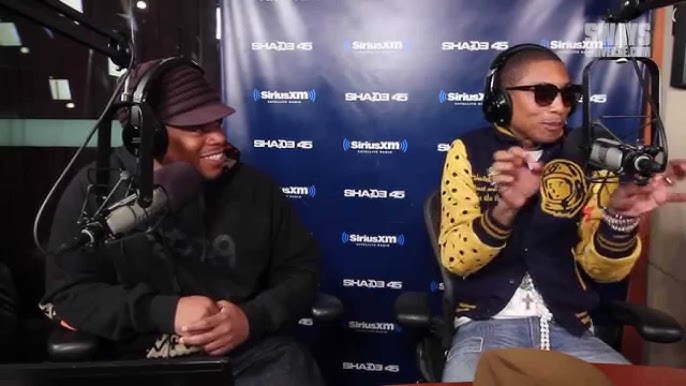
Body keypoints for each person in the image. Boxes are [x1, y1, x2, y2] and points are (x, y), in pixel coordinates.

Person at [41, 57, 324, 385]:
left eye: (217, 123)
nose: (218, 137)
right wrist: (163, 311)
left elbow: (301, 272)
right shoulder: (96, 191)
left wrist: (252, 318)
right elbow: (68, 294)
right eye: (197, 128)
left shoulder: (257, 189)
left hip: (245, 356)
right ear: (149, 135)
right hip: (137, 361)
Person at [438, 43, 686, 382]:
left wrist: (620, 220)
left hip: (572, 329)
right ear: (502, 100)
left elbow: (603, 272)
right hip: (487, 329)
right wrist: (506, 208)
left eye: (568, 95)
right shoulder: (468, 150)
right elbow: (456, 258)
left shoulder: (593, 152)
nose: (560, 108)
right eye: (543, 94)